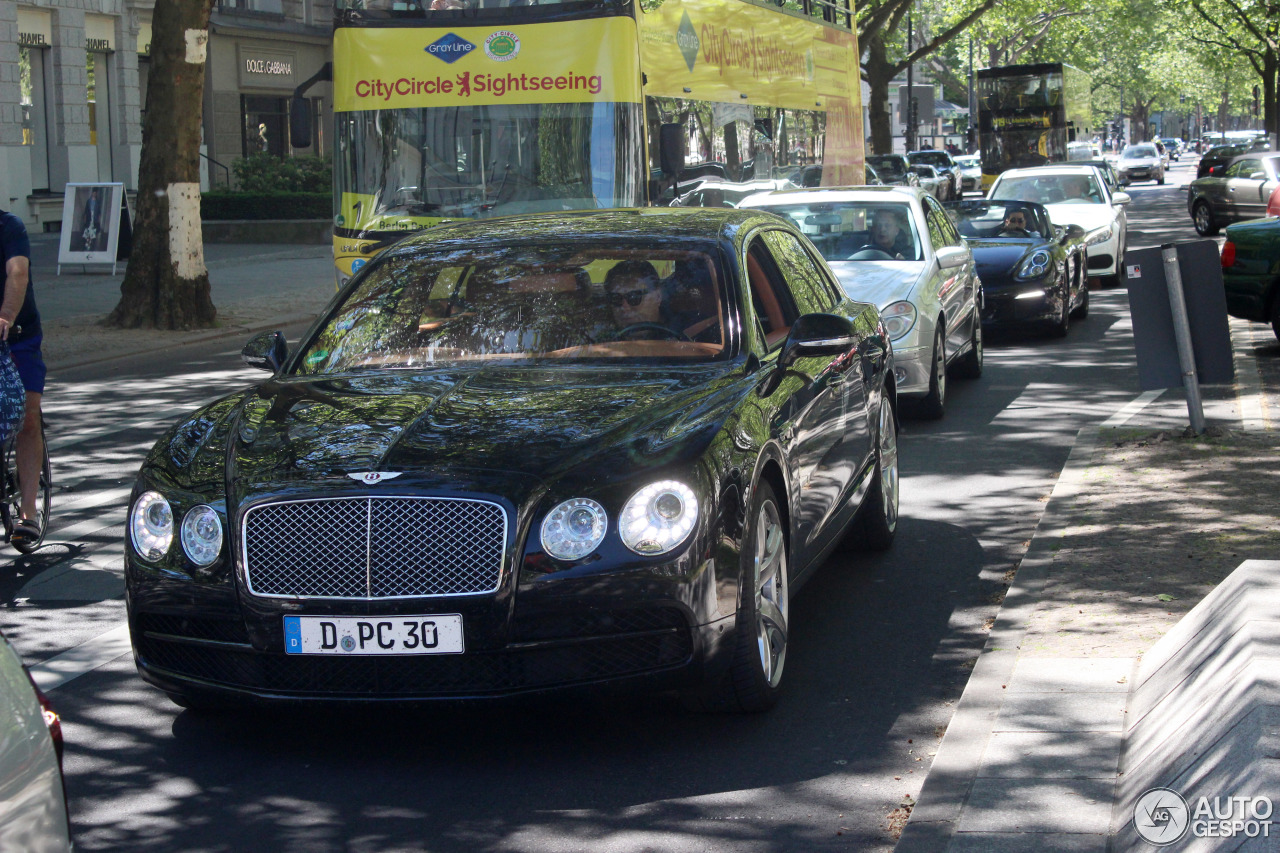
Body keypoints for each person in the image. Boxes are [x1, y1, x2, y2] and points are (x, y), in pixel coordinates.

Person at [0, 207, 45, 547]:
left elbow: (18, 273)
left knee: (28, 417)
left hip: (16, 334)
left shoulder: (9, 226)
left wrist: (5, 315)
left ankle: (29, 510)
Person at [605, 260, 670, 336]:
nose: (624, 307)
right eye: (616, 298)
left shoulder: (682, 331)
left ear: (657, 296)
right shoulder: (600, 341)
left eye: (634, 297)